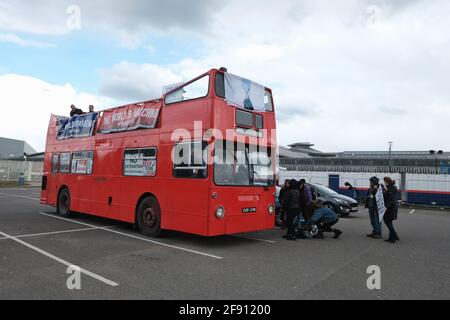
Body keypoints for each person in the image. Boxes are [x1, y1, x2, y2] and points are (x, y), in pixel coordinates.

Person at [383, 177, 400, 243]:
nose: (384, 182)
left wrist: (386, 206)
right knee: (389, 222)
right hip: (391, 207)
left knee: (387, 221)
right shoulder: (390, 188)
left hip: (390, 208)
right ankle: (391, 238)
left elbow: (390, 199)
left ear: (387, 182)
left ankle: (394, 235)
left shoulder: (390, 188)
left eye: (384, 181)